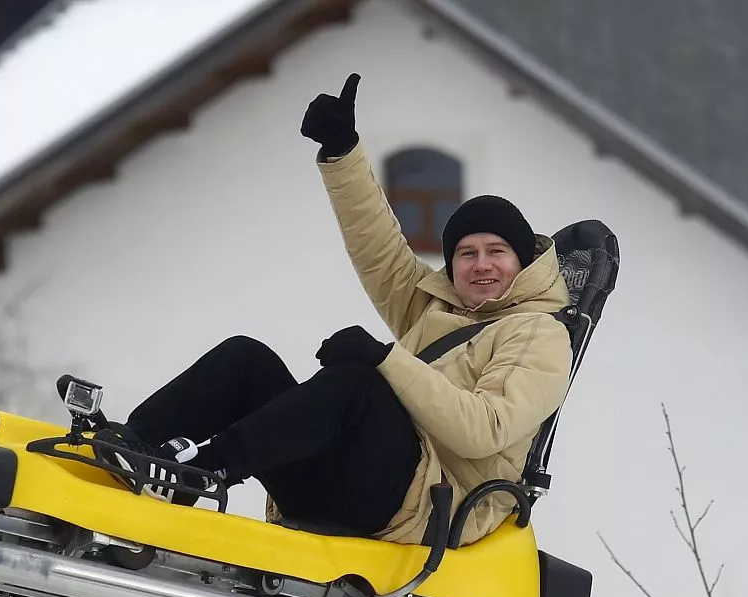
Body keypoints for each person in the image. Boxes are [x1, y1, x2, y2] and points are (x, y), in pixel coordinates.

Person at [84, 72, 572, 547]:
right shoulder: (438, 310)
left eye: (496, 251)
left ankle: (202, 471)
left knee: (360, 379)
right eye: (467, 254)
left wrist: (384, 359)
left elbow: (484, 429)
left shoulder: (539, 334)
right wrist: (342, 153)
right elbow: (378, 249)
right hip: (348, 479)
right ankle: (136, 446)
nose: (481, 264)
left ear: (521, 261)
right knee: (246, 359)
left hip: (425, 505)